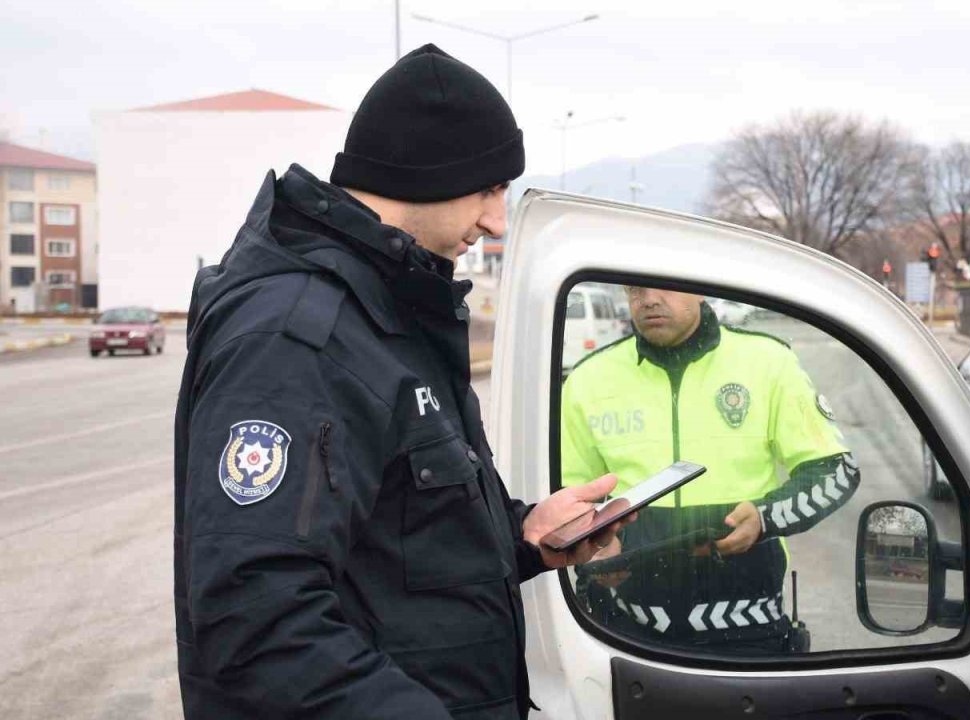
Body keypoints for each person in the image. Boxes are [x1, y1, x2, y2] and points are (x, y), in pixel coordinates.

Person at [173, 45, 624, 720]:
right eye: (490, 189)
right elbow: (256, 622)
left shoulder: (390, 312)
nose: (497, 221)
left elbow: (395, 548)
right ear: (431, 171)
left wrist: (524, 535)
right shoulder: (300, 336)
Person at [560, 285, 859, 653]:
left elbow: (835, 470)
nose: (649, 299)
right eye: (636, 288)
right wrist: (597, 543)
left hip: (748, 631)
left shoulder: (767, 361)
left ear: (698, 288)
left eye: (663, 284)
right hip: (621, 631)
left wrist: (765, 518)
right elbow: (567, 497)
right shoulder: (587, 379)